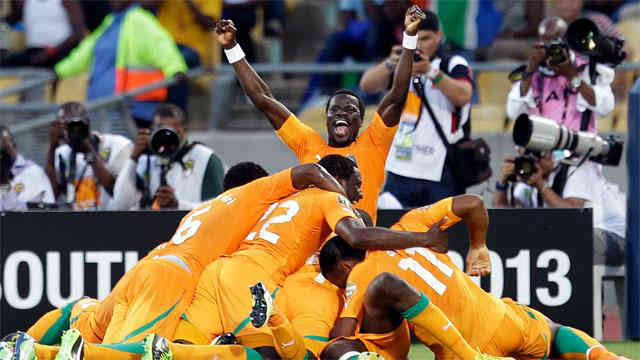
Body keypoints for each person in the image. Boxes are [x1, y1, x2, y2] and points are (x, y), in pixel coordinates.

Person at [4, 162, 348, 360]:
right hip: (172, 277)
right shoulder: (256, 196)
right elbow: (306, 172)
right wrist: (340, 198)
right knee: (137, 355)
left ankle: (25, 347)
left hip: (149, 263)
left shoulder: (204, 209)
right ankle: (43, 352)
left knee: (96, 327)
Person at [169, 154, 449, 358]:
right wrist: (423, 239)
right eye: (356, 183)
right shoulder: (332, 199)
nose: (360, 192)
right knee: (280, 356)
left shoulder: (284, 197)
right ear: (337, 181)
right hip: (281, 285)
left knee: (178, 351)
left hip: (223, 270)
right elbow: (358, 236)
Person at [324, 197, 630, 360]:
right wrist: (478, 246)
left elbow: (342, 334)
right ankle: (606, 357)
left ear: (347, 265)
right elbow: (473, 203)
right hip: (497, 317)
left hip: (459, 350)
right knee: (552, 332)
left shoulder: (362, 273)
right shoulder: (413, 224)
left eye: (337, 279)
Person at [219, 5, 425, 223]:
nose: (341, 113)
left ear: (361, 120)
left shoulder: (374, 143)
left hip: (359, 251)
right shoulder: (309, 144)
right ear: (326, 119)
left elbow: (397, 94)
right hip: (314, 254)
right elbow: (264, 99)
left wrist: (410, 36)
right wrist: (232, 47)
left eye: (350, 110)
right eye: (334, 109)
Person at [360, 10, 474, 208]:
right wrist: (391, 63)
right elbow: (367, 85)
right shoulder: (402, 64)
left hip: (441, 169)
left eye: (426, 38)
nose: (420, 45)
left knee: (440, 235)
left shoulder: (452, 63)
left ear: (439, 36)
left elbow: (463, 95)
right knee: (392, 231)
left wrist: (429, 71)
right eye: (415, 38)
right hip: (401, 168)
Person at [53, 0, 188, 128]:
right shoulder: (110, 22)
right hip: (103, 109)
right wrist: (59, 71)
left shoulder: (141, 20)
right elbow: (84, 53)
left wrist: (176, 69)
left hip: (132, 109)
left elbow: (163, 48)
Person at [493, 151, 626, 267]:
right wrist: (502, 183)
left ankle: (587, 295)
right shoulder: (527, 184)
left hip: (614, 238)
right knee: (523, 244)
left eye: (538, 157)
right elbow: (504, 216)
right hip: (581, 239)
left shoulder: (574, 169)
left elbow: (572, 215)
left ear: (551, 156)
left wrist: (541, 185)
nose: (534, 164)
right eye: (528, 159)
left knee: (569, 241)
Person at [506, 16, 615, 134]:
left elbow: (605, 107)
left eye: (556, 40)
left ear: (567, 41)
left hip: (579, 147)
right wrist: (530, 69)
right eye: (546, 41)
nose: (552, 47)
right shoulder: (531, 72)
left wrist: (572, 76)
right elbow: (513, 112)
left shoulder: (587, 68)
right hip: (542, 146)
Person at [112, 104, 225, 210]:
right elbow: (120, 204)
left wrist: (178, 205)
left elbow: (218, 207)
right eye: (160, 129)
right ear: (151, 132)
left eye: (172, 130)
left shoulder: (204, 158)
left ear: (184, 130)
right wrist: (133, 159)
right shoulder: (145, 160)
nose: (166, 138)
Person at [45, 102, 133, 210]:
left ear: (88, 123)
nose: (73, 130)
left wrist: (88, 152)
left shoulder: (118, 146)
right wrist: (52, 146)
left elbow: (119, 194)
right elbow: (50, 196)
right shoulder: (62, 154)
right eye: (67, 127)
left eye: (77, 125)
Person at [1, 0, 86, 67]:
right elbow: (9, 20)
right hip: (34, 52)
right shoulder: (24, 2)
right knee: (6, 63)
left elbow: (78, 35)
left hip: (60, 51)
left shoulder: (68, 2)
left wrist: (51, 52)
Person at [0, 126, 54, 210]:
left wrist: (4, 178)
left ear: (14, 146)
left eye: (4, 149)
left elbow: (11, 209)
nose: (2, 157)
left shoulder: (32, 172)